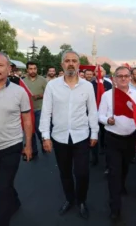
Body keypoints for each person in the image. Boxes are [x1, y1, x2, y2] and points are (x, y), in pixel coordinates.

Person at [39, 50, 99, 219]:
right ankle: (69, 199)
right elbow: (46, 112)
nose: (71, 63)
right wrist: (46, 136)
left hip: (81, 136)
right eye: (67, 61)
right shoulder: (52, 86)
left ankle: (81, 201)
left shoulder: (87, 86)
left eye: (74, 61)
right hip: (59, 137)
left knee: (82, 173)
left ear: (79, 65)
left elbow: (92, 111)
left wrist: (94, 132)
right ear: (62, 64)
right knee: (65, 172)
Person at [0, 51, 32, 226]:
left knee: (2, 189)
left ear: (8, 68)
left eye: (0, 65)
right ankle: (14, 201)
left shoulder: (19, 92)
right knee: (0, 184)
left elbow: (26, 119)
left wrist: (28, 145)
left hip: (11, 148)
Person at [98, 66, 136, 222]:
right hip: (113, 139)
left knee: (124, 167)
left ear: (130, 77)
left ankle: (122, 184)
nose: (124, 78)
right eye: (120, 76)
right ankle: (115, 208)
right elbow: (100, 116)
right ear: (114, 78)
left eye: (126, 76)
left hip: (131, 138)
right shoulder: (107, 96)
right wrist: (107, 120)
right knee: (114, 173)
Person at [23, 61, 48, 159]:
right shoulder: (23, 81)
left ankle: (44, 144)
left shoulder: (42, 80)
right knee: (30, 131)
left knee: (38, 129)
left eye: (34, 68)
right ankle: (34, 151)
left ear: (37, 69)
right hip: (27, 110)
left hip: (39, 109)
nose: (33, 70)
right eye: (30, 68)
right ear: (27, 70)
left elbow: (49, 93)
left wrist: (39, 96)